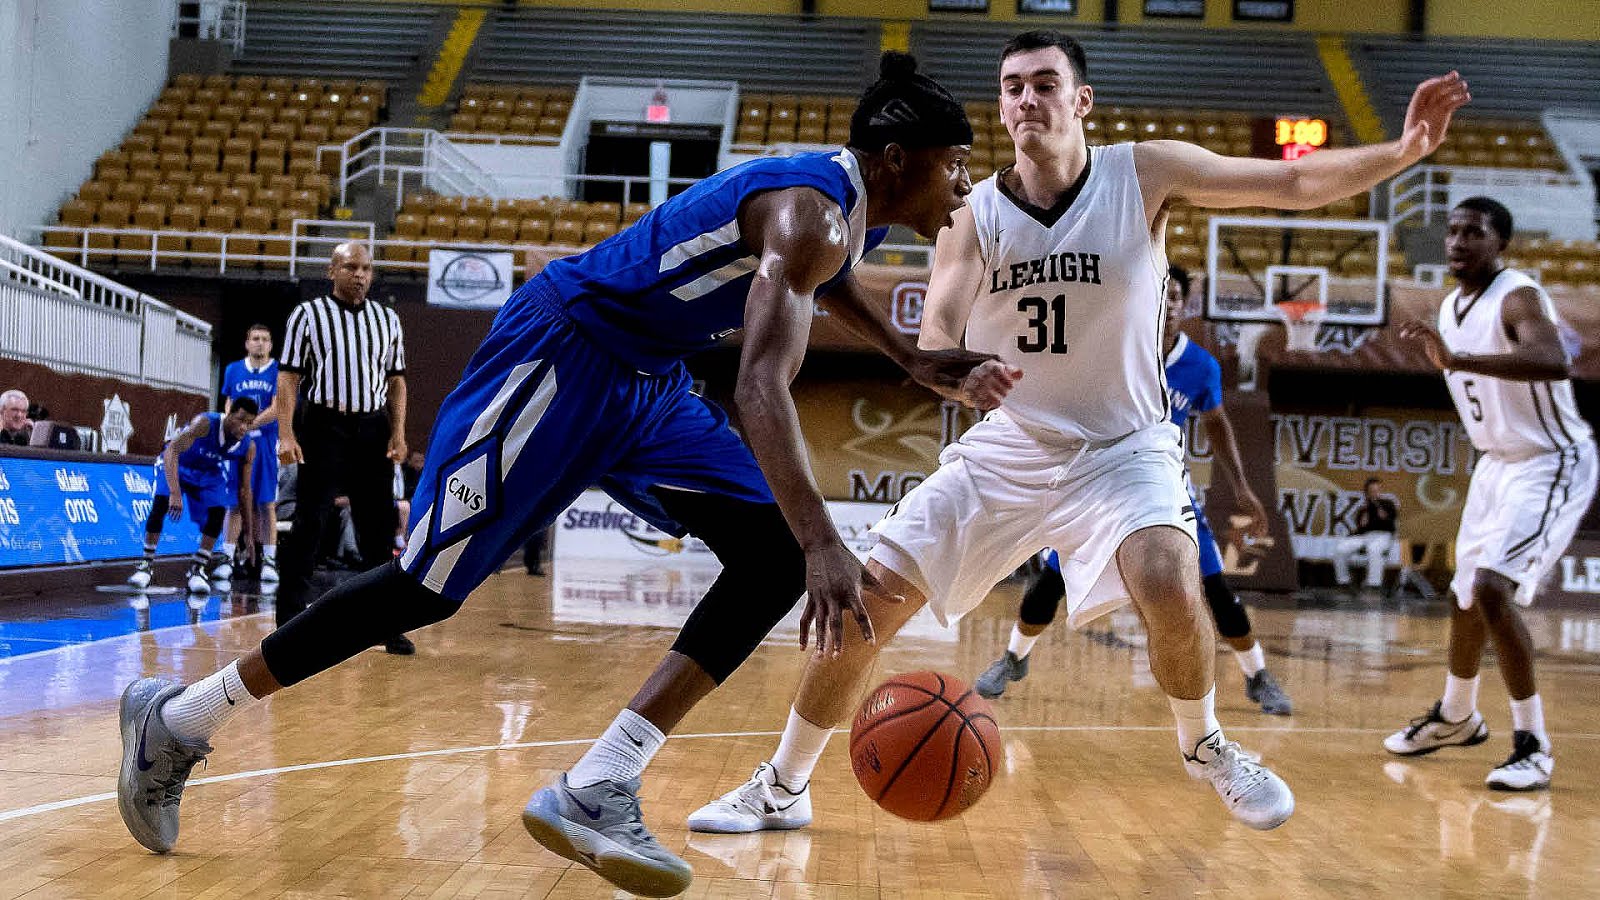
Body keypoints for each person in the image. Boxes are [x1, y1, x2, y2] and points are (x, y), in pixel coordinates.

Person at [115, 53, 1009, 898]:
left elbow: (828, 275)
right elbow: (761, 383)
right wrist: (824, 536)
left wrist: (908, 357)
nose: (965, 185)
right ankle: (185, 717)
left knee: (768, 560)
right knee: (423, 592)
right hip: (563, 355)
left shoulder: (844, 211)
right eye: (957, 165)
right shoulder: (809, 212)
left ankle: (600, 781)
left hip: (647, 383)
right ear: (898, 158)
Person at [690, 29, 1467, 836]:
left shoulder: (1145, 172)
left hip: (1123, 449)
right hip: (1010, 450)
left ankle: (1205, 745)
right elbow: (938, 333)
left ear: (1081, 100)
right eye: (1013, 87)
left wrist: (1406, 149)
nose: (1028, 99)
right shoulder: (972, 211)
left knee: (1168, 575)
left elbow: (1296, 179)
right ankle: (781, 786)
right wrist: (963, 372)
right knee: (867, 603)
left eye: (1045, 83)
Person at [972, 264, 1292, 716]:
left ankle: (1258, 675)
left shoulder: (1200, 366)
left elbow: (1216, 423)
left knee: (1215, 590)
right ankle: (1013, 658)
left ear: (1183, 305)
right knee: (1049, 583)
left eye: (1178, 296)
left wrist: (1241, 488)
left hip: (1164, 488)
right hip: (1101, 482)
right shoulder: (1113, 350)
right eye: (1164, 293)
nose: (1171, 303)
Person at [1387, 196, 1596, 791]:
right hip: (1497, 466)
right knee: (1464, 593)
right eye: (1451, 231)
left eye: (1472, 232)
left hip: (1550, 460)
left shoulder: (1517, 294)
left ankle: (1533, 744)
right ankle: (1456, 715)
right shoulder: (1450, 306)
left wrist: (1459, 359)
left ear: (1499, 242)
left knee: (1493, 590)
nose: (1457, 241)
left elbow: (1553, 360)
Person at [271, 243, 414, 654]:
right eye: (351, 267)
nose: (360, 275)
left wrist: (398, 433)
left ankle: (385, 624)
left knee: (379, 528)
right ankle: (288, 621)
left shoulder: (387, 319)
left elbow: (397, 382)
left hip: (372, 427)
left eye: (366, 268)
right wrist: (286, 434)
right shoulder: (307, 315)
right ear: (332, 270)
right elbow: (288, 379)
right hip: (324, 425)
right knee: (309, 524)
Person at [126, 402, 257, 594]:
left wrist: (248, 532)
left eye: (250, 423)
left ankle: (198, 568)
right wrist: (175, 492)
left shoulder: (247, 446)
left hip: (207, 471)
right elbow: (172, 450)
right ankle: (145, 564)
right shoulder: (205, 423)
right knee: (161, 504)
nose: (244, 427)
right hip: (177, 464)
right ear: (229, 414)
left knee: (219, 510)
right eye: (241, 420)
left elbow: (245, 490)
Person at [215, 324, 282, 586]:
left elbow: (278, 408)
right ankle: (227, 558)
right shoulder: (233, 370)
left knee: (266, 504)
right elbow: (229, 405)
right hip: (239, 445)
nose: (260, 343)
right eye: (255, 338)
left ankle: (269, 561)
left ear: (271, 345)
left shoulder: (277, 370)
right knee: (234, 503)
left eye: (265, 339)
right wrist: (235, 426)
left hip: (265, 443)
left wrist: (246, 423)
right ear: (247, 343)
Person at [1330, 477, 1399, 589]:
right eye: (1372, 491)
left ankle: (1374, 584)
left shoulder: (1388, 504)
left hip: (1383, 535)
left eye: (1377, 490)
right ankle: (1343, 581)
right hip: (1366, 536)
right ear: (1367, 492)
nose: (1375, 493)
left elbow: (1392, 522)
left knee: (1374, 549)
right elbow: (1360, 528)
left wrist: (1385, 516)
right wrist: (1363, 519)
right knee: (1340, 549)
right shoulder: (1364, 508)